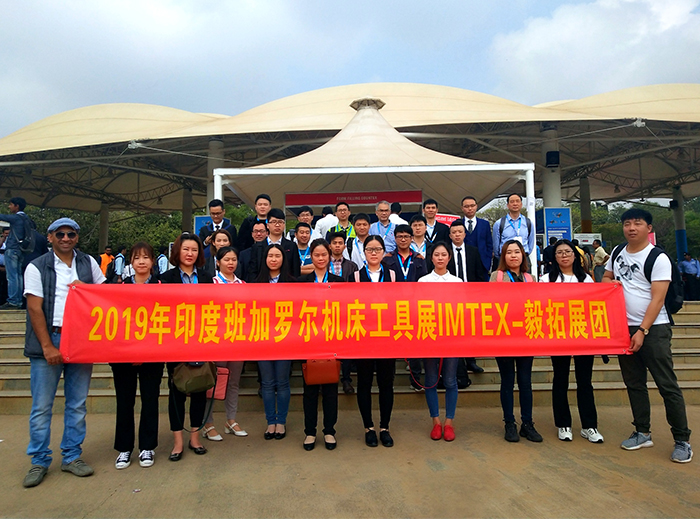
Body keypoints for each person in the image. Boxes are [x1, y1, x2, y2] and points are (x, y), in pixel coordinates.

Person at [603, 208, 692, 463]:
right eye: (627, 224)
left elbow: (658, 299)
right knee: (634, 383)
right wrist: (610, 283)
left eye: (637, 223)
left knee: (667, 385)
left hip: (654, 329)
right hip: (623, 328)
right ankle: (642, 432)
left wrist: (642, 330)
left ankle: (682, 440)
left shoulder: (658, 257)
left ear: (648, 228)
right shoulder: (617, 252)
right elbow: (606, 277)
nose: (631, 228)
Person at [22, 217, 105, 488]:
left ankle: (72, 456)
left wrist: (87, 289)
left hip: (81, 338)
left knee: (77, 403)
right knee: (42, 406)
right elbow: (34, 307)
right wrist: (47, 346)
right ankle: (39, 460)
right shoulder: (36, 266)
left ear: (77, 237)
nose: (66, 238)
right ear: (50, 237)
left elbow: (104, 296)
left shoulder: (88, 263)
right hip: (49, 337)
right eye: (60, 234)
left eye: (71, 234)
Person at [540, 239, 603, 444]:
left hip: (583, 335)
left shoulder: (586, 279)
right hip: (558, 336)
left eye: (567, 252)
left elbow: (594, 306)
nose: (564, 255)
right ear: (554, 257)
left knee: (585, 381)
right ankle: (563, 424)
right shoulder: (546, 280)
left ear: (575, 256)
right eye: (559, 252)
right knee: (560, 379)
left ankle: (589, 426)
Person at [160, 233, 214, 461]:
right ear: (177, 252)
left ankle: (195, 438)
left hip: (201, 339)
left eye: (194, 250)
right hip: (175, 341)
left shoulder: (207, 278)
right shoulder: (165, 278)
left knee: (200, 389)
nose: (190, 254)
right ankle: (178, 442)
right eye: (185, 249)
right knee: (177, 393)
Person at [111, 242, 163, 470]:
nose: (141, 261)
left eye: (146, 257)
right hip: (123, 354)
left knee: (150, 400)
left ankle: (147, 447)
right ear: (130, 262)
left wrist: (145, 349)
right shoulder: (117, 288)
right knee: (125, 401)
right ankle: (124, 448)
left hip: (153, 354)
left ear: (153, 261)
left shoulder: (163, 288)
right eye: (136, 258)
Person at [490, 239, 542, 443]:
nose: (513, 256)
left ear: (523, 255)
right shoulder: (497, 276)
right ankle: (509, 422)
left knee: (525, 381)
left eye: (517, 252)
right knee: (507, 381)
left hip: (526, 337)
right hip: (503, 337)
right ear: (503, 256)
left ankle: (527, 424)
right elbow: (489, 304)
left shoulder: (531, 278)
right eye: (509, 252)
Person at [350, 235, 396, 447]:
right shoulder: (355, 276)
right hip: (363, 339)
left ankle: (384, 427)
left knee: (386, 384)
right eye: (370, 249)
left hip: (387, 339)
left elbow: (400, 304)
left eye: (378, 249)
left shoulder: (393, 275)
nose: (374, 253)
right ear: (364, 252)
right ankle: (368, 427)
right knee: (365, 383)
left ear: (384, 252)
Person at [298, 239, 343, 451]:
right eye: (316, 255)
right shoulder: (301, 282)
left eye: (324, 254)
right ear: (311, 257)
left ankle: (329, 431)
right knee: (310, 389)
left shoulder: (339, 281)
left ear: (329, 256)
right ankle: (309, 431)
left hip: (332, 340)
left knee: (331, 389)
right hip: (309, 341)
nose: (321, 258)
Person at [201, 246, 248, 441]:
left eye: (233, 259)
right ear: (218, 262)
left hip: (237, 341)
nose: (230, 263)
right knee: (213, 382)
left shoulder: (243, 284)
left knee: (233, 382)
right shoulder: (211, 283)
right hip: (217, 341)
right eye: (226, 259)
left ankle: (231, 420)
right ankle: (208, 423)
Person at [418, 242, 461, 442]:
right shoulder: (423, 281)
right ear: (431, 257)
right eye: (437, 254)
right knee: (431, 379)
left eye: (444, 254)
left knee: (450, 380)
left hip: (452, 337)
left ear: (449, 257)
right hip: (429, 336)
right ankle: (435, 421)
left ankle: (449, 421)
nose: (440, 258)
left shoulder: (457, 282)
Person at [255, 244, 295, 440]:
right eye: (270, 256)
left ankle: (281, 421)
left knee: (283, 382)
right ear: (265, 259)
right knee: (267, 383)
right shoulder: (256, 284)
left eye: (277, 256)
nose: (273, 259)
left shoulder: (292, 283)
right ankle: (270, 421)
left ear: (283, 259)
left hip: (285, 339)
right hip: (263, 340)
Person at [445, 219, 485, 375]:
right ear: (450, 235)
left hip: (470, 296)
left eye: (460, 232)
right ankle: (455, 361)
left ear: (464, 234)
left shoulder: (473, 251)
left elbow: (480, 274)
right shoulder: (445, 252)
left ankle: (471, 361)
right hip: (450, 297)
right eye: (454, 232)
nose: (457, 235)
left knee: (469, 330)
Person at [327, 231, 358, 394]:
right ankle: (326, 378)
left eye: (340, 243)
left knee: (346, 347)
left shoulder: (351, 266)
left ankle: (346, 380)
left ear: (345, 246)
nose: (337, 246)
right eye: (334, 243)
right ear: (329, 246)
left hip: (345, 310)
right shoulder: (323, 263)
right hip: (325, 310)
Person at [246, 208, 301, 281]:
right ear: (267, 225)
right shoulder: (257, 246)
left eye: (280, 222)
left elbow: (295, 271)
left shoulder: (292, 246)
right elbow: (252, 271)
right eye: (274, 222)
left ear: (284, 224)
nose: (277, 225)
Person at [0, 197, 33, 309]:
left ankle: (13, 300)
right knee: (18, 276)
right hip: (21, 250)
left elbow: (2, 217)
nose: (9, 207)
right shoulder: (26, 218)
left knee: (12, 276)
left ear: (16, 206)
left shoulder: (16, 218)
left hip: (12, 249)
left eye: (11, 204)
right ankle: (18, 300)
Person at [492, 194, 535, 263]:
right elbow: (496, 246)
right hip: (505, 258)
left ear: (521, 204)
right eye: (512, 202)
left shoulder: (528, 223)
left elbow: (531, 243)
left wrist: (524, 255)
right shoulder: (499, 223)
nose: (515, 204)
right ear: (508, 205)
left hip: (523, 258)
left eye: (517, 201)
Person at [461, 196, 493, 281]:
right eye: (466, 206)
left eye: (472, 205)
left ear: (476, 206)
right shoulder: (458, 224)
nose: (470, 208)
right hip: (463, 263)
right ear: (462, 208)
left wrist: (487, 261)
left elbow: (489, 244)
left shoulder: (485, 224)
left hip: (482, 263)